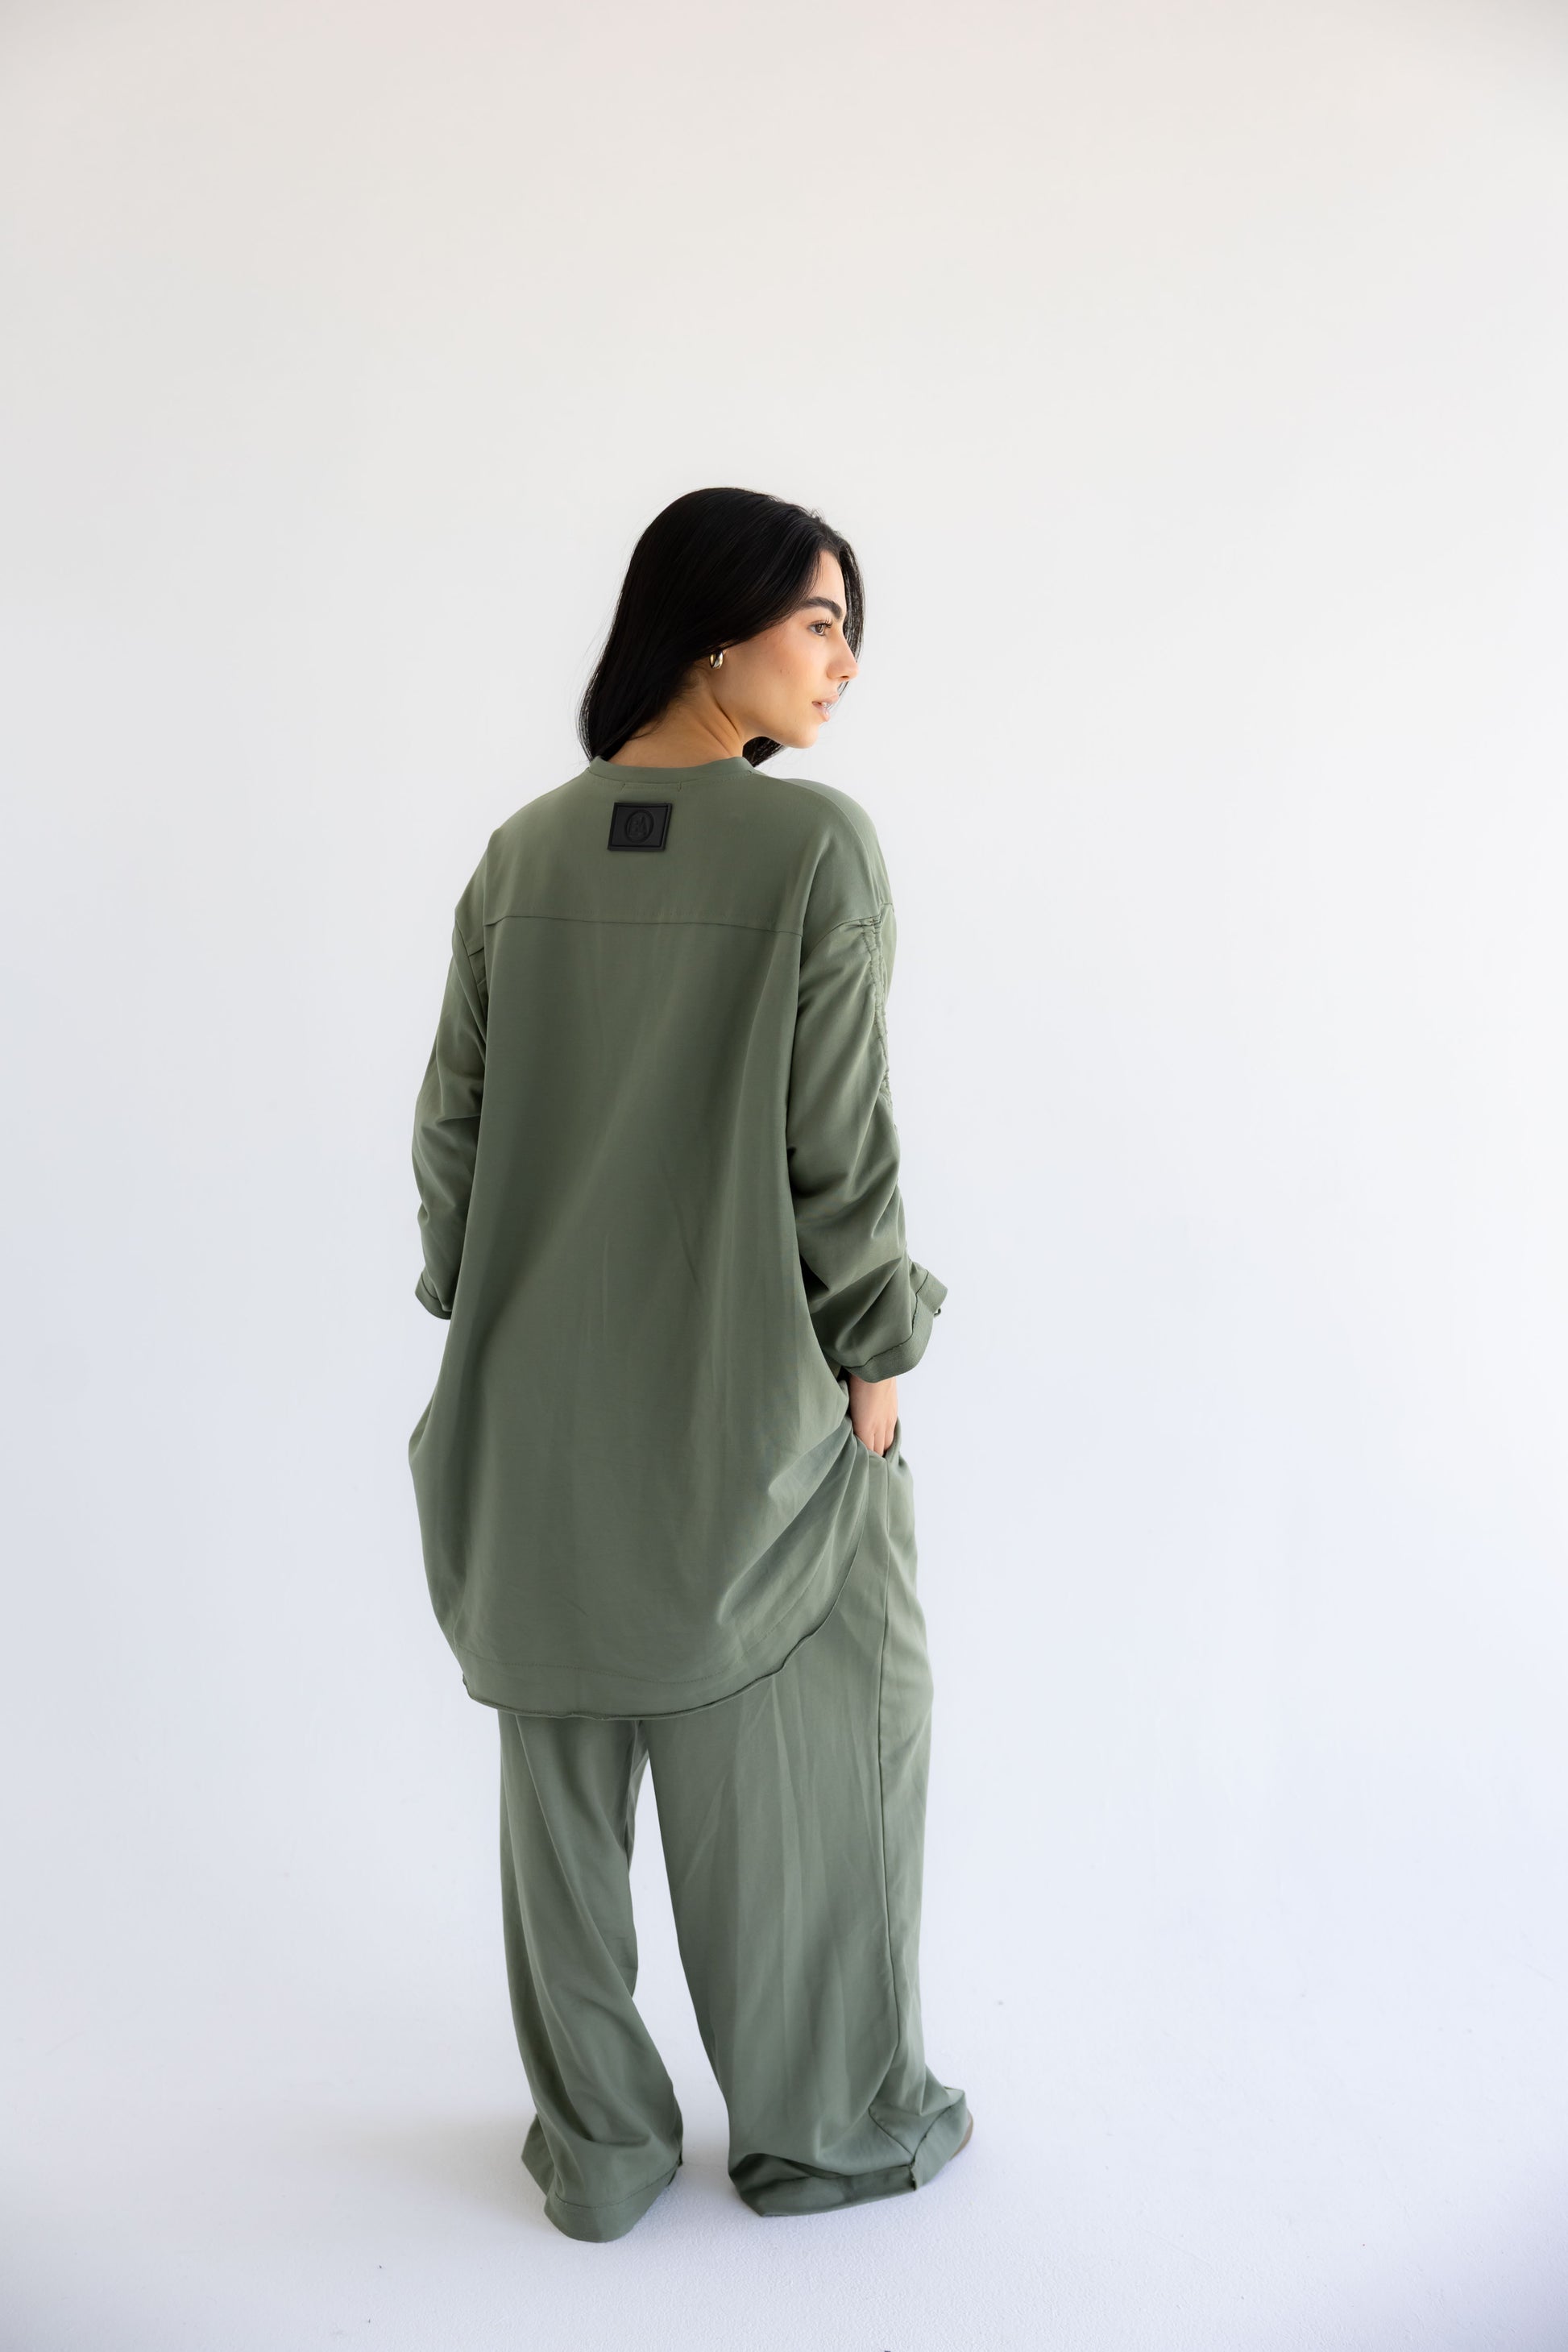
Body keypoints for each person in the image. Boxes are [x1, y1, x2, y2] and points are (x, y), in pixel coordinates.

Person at [408, 486, 971, 2242]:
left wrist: (492, 1304)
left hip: (527, 1428)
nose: (845, 662)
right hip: (750, 1426)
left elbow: (449, 1146)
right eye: (821, 622)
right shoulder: (812, 853)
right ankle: (833, 2134)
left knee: (560, 1807)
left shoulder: (521, 853)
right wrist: (876, 1351)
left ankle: (599, 2155)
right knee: (830, 1769)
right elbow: (837, 1145)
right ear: (715, 630)